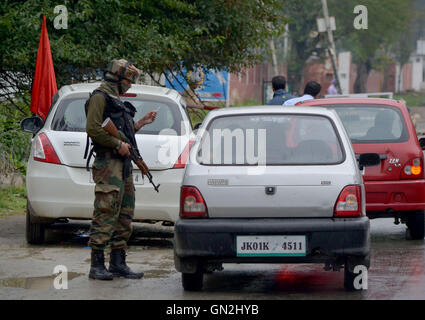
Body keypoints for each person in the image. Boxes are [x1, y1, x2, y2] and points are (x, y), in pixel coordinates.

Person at [85, 59, 157, 280]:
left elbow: (124, 132)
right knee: (106, 212)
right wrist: (118, 145)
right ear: (116, 77)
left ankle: (118, 262)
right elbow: (93, 129)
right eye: (128, 80)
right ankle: (97, 265)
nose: (130, 85)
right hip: (109, 164)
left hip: (123, 166)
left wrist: (140, 123)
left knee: (124, 214)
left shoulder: (117, 100)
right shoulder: (100, 96)